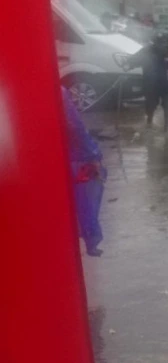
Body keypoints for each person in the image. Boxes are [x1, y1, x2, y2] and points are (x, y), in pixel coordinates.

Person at [61, 87, 106, 256]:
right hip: (74, 158)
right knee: (86, 199)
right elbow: (74, 125)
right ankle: (90, 239)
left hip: (46, 159)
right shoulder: (56, 91)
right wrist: (93, 154)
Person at [127, 32, 168, 130]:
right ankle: (167, 128)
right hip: (164, 84)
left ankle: (151, 124)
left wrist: (128, 64)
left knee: (153, 105)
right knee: (166, 105)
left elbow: (132, 61)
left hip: (153, 84)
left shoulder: (147, 50)